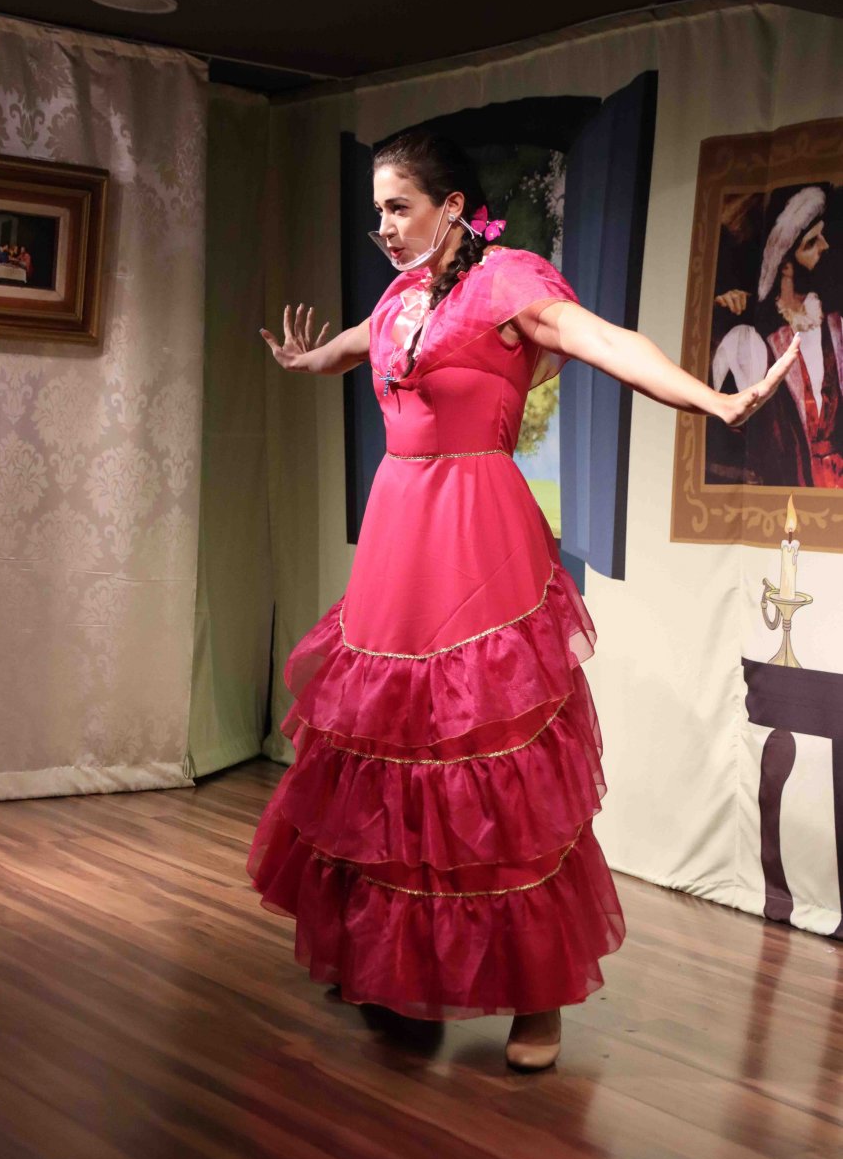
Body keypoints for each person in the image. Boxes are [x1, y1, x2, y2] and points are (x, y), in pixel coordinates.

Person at [248, 130, 801, 1072]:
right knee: (386, 747)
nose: (384, 225)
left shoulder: (507, 281)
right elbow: (361, 343)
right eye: (377, 210)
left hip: (475, 532)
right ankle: (389, 957)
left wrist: (708, 402)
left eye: (398, 206)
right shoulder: (400, 295)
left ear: (452, 207)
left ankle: (535, 997)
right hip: (397, 536)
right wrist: (313, 362)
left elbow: (603, 341)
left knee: (494, 755)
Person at [710, 184, 842, 487]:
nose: (824, 247)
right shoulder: (755, 339)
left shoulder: (836, 327)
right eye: (811, 243)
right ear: (785, 263)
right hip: (791, 487)